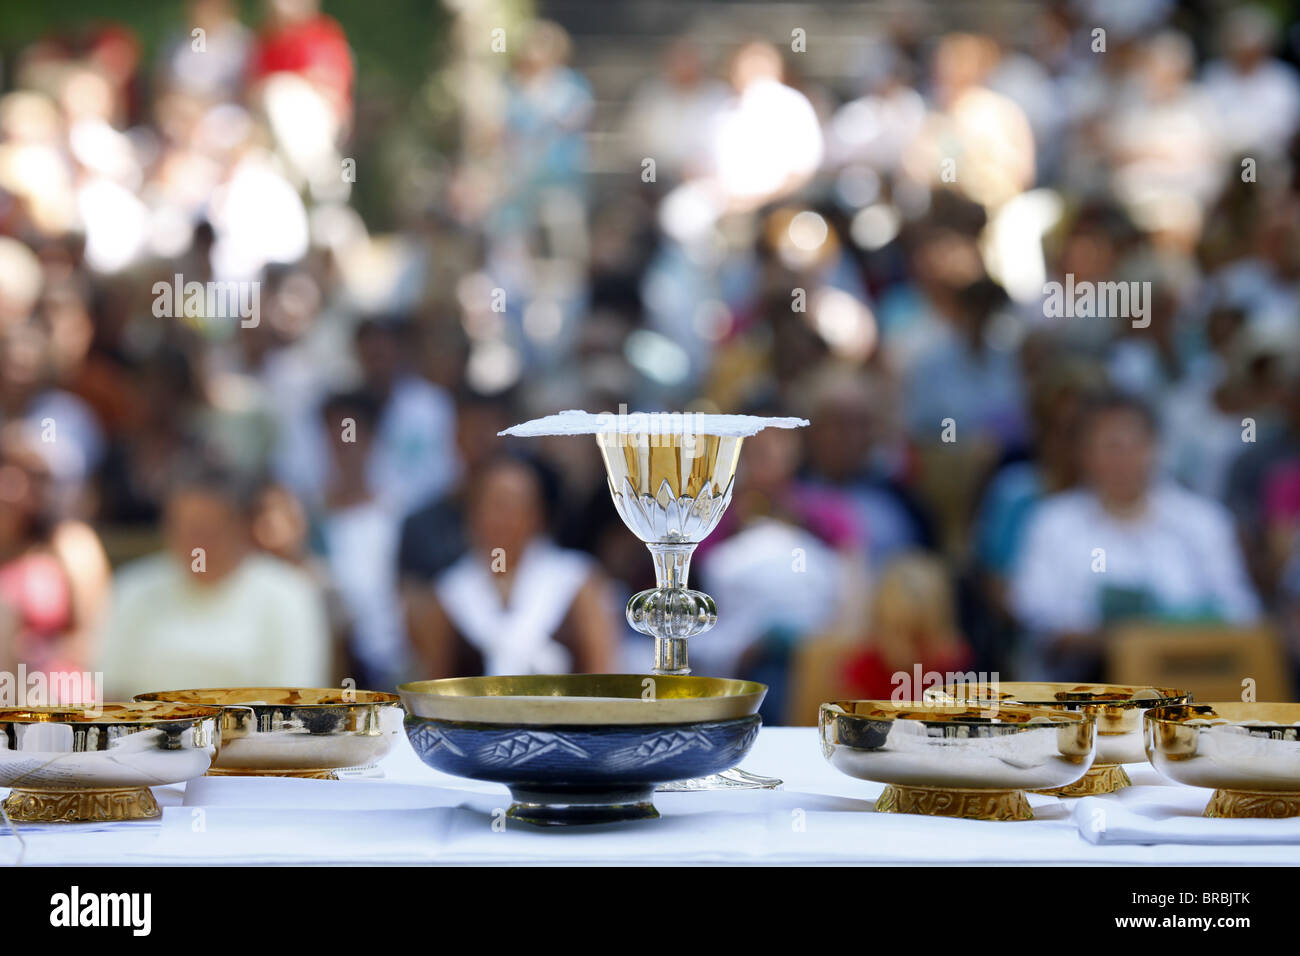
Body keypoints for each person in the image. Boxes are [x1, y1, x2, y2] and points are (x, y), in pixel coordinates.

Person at [1010, 393, 1261, 681]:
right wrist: (1124, 641)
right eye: (1111, 447)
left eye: (1135, 446)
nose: (1123, 460)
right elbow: (1037, 614)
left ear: (1156, 449)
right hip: (1084, 685)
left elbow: (1241, 613)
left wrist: (1175, 630)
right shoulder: (1053, 523)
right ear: (1083, 455)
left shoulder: (1202, 520)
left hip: (1193, 680)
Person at [97, 459, 331, 697]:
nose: (195, 543)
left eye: (208, 529)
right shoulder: (134, 588)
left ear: (240, 526)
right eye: (184, 527)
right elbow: (111, 689)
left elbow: (295, 700)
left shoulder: (289, 595)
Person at [407, 452, 616, 678]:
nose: (503, 519)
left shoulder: (576, 581)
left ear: (538, 516)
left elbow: (602, 673)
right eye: (495, 505)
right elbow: (436, 685)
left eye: (515, 506)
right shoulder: (449, 594)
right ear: (472, 513)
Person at [842, 553, 973, 700]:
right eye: (891, 631)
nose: (901, 648)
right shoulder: (863, 668)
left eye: (915, 636)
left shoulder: (953, 665)